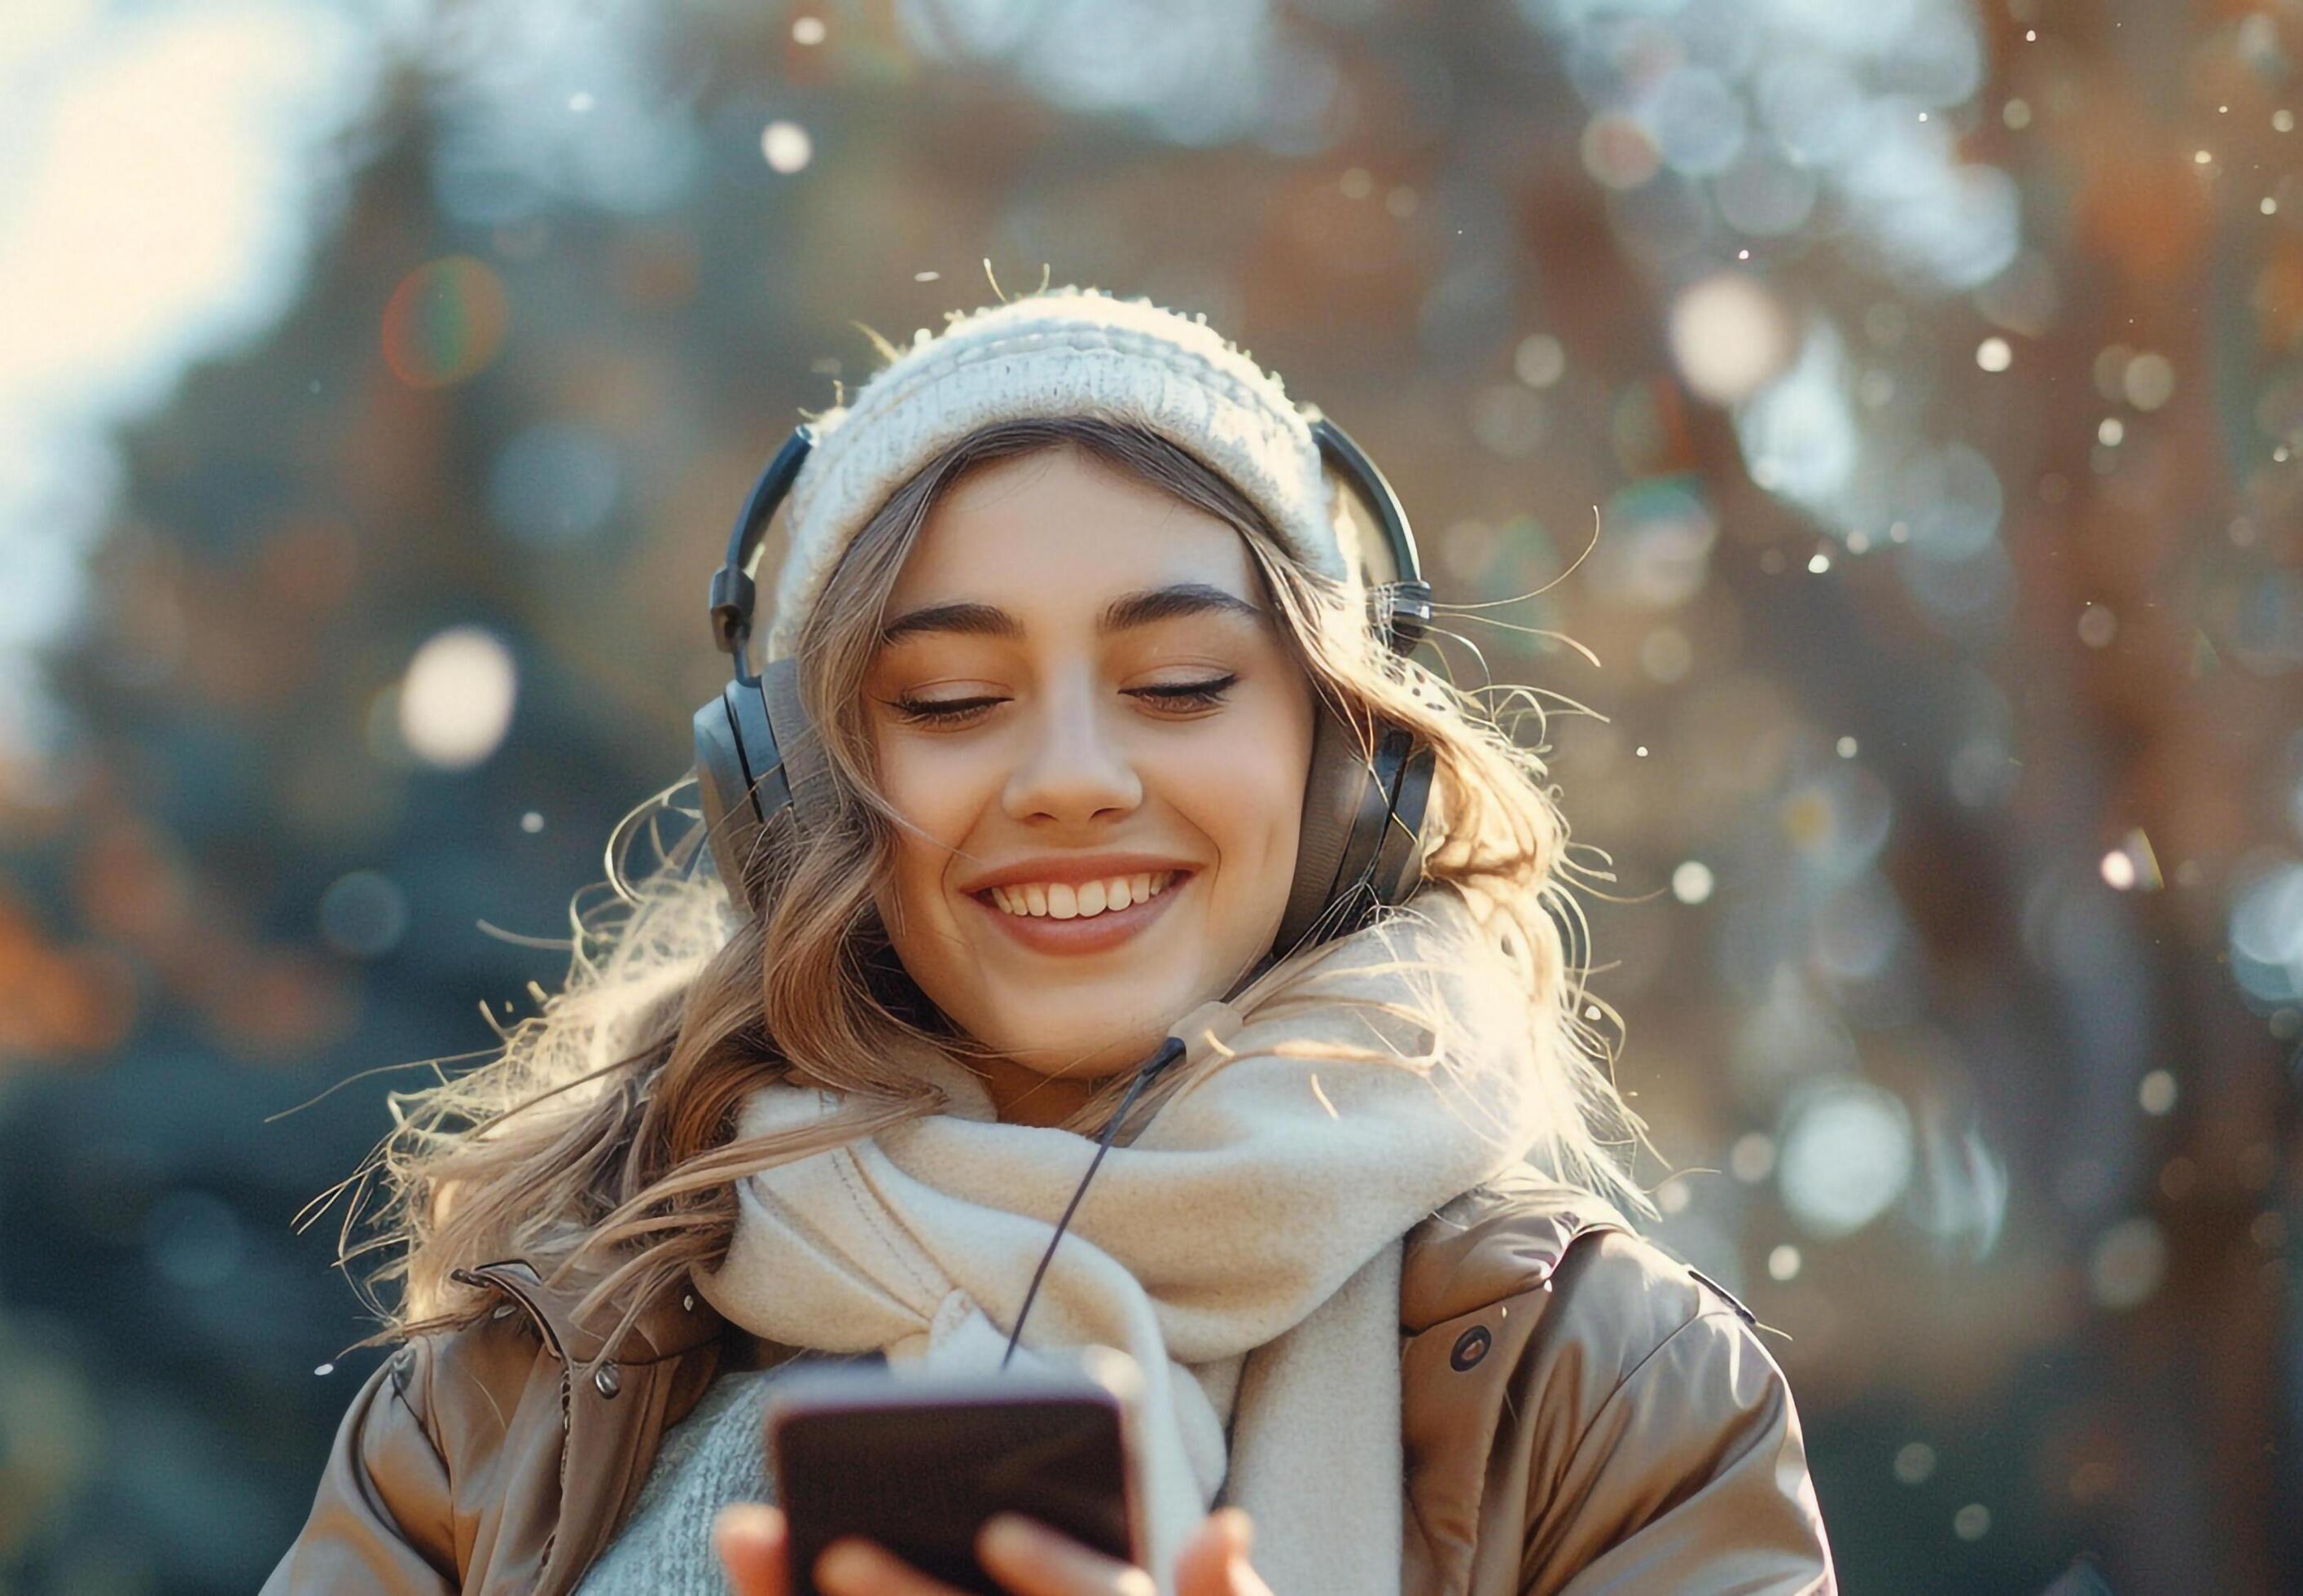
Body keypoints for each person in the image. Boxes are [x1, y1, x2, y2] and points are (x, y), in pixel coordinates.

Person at [263, 286, 1835, 1594]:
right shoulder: (507, 1398)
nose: (1076, 779)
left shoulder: (1613, 1391)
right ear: (794, 794)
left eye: (1180, 682)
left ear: (1345, 765)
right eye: (950, 701)